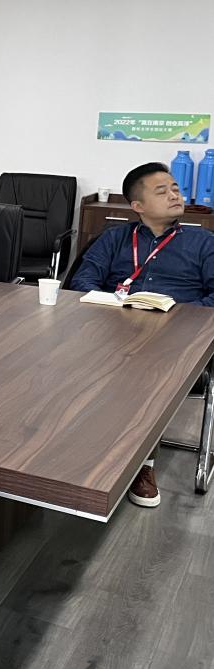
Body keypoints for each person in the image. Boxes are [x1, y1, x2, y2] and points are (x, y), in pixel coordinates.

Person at [68, 162, 214, 509]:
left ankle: (141, 463)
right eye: (162, 191)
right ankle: (69, 445)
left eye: (175, 188)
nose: (175, 195)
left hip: (175, 340)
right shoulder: (115, 238)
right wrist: (116, 306)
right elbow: (82, 280)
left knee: (142, 371)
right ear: (138, 206)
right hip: (113, 329)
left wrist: (176, 314)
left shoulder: (203, 242)